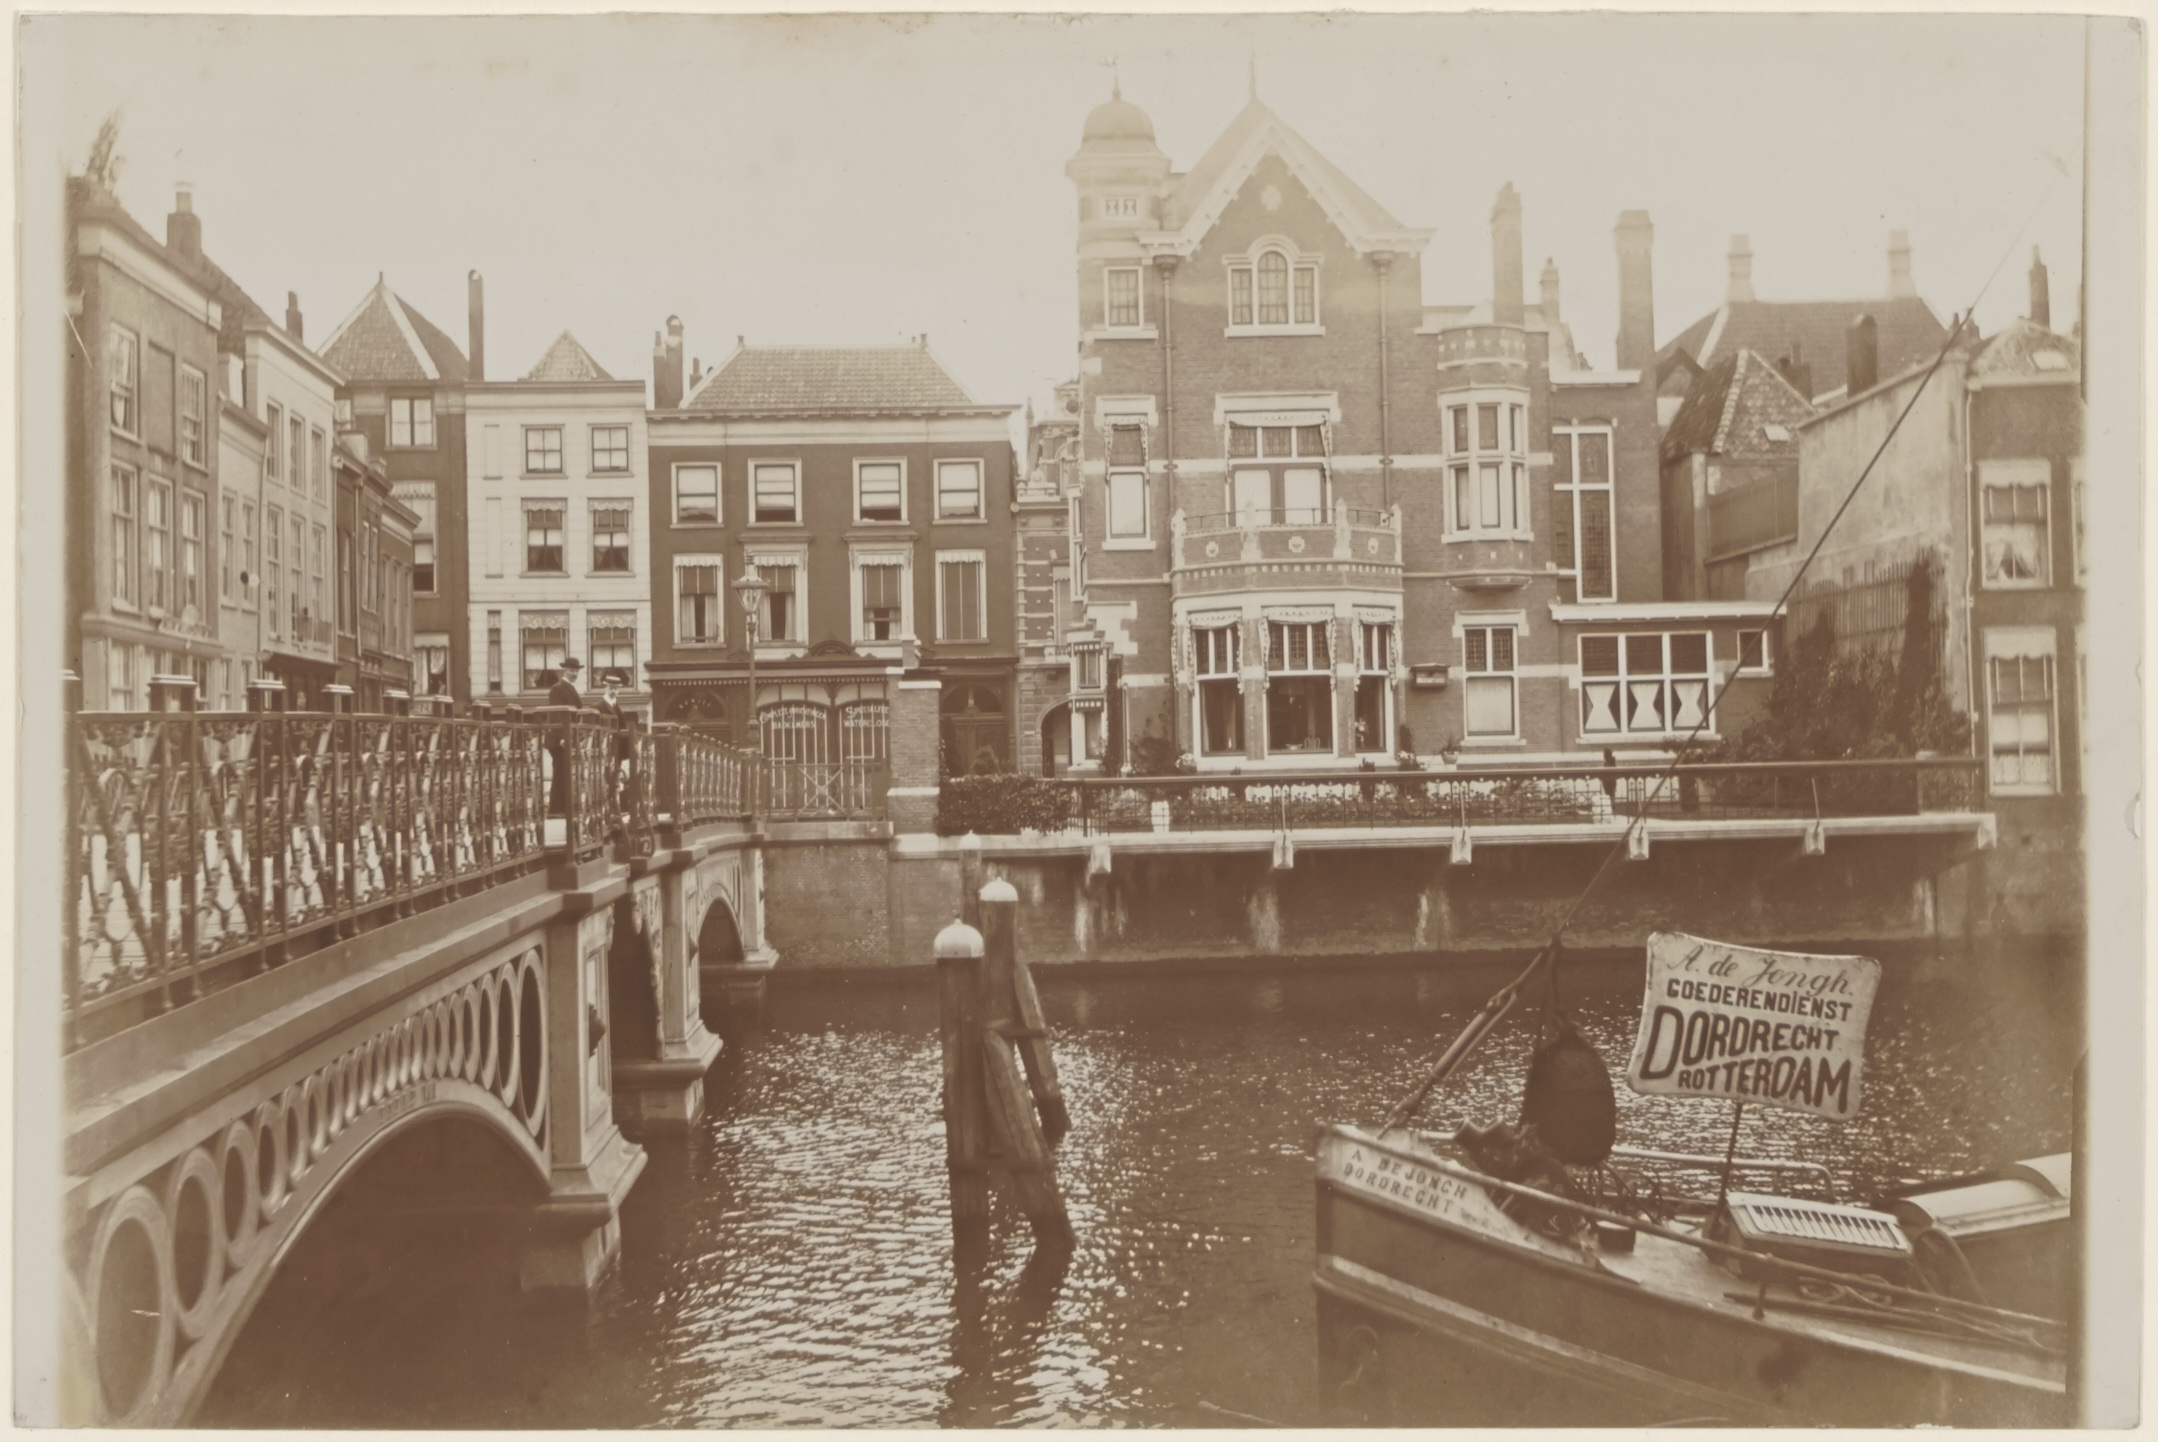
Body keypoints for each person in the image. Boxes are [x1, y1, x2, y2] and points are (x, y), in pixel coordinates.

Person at [546, 657, 583, 816]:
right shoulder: (558, 688)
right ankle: (556, 809)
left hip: (568, 736)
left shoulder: (570, 688)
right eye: (572, 670)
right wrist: (562, 737)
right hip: (559, 739)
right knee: (560, 772)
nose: (575, 673)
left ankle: (563, 807)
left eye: (576, 671)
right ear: (564, 671)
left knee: (564, 772)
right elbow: (556, 714)